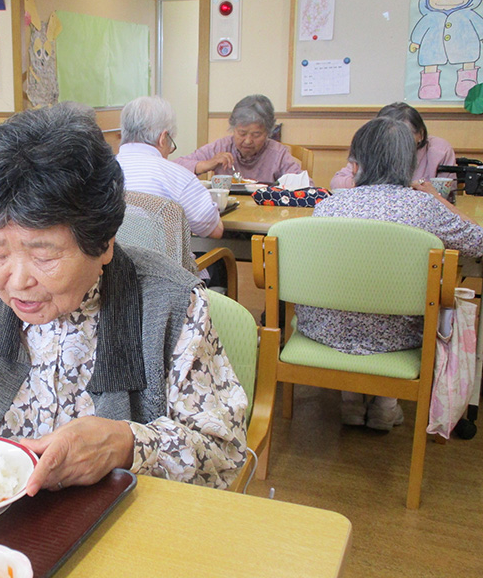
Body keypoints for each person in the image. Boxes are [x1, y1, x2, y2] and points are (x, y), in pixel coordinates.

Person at [0, 102, 248, 492]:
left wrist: (127, 444)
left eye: (44, 254)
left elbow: (225, 455)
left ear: (103, 243)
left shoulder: (172, 305)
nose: (16, 281)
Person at [297, 116, 483, 431]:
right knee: (408, 308)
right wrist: (436, 196)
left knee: (351, 295)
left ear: (354, 164)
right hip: (400, 338)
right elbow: (478, 242)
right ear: (411, 163)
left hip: (324, 332)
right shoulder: (426, 208)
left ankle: (351, 402)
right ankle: (386, 406)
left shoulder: (328, 208)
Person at [117, 96, 223, 239]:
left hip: (112, 260)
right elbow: (214, 231)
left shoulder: (98, 172)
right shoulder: (176, 176)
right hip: (161, 261)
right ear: (163, 138)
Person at [174, 94, 305, 185]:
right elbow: (175, 166)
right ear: (233, 129)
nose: (248, 141)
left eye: (256, 134)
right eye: (242, 133)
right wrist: (207, 164)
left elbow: (305, 185)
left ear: (268, 133)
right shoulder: (221, 147)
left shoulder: (277, 153)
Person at [331, 102, 456, 190]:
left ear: (421, 134)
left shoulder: (440, 150)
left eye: (404, 133)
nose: (395, 140)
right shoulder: (370, 149)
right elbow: (337, 182)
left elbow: (449, 191)